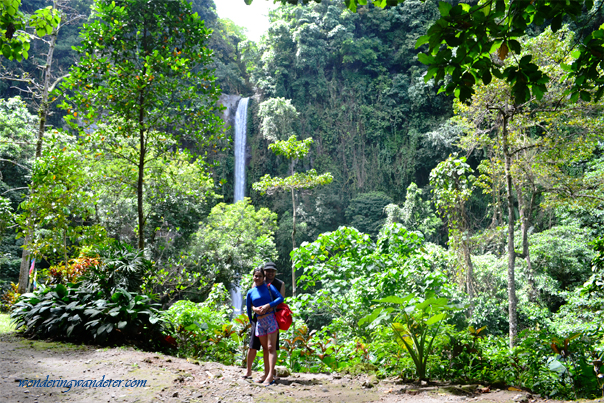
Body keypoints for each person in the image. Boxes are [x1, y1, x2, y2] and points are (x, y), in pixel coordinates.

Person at [242, 262, 285, 381]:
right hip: (258, 321)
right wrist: (254, 314)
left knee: (271, 347)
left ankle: (270, 374)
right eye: (256, 276)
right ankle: (250, 371)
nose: (258, 278)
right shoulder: (253, 288)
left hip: (272, 318)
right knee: (255, 346)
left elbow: (281, 299)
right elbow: (249, 304)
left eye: (273, 271)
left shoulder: (275, 285)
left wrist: (268, 306)